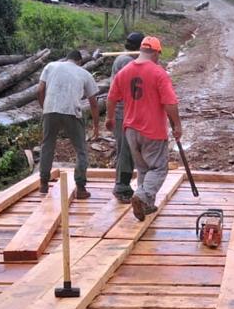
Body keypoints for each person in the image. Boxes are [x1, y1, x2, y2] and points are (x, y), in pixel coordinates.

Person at [105, 36, 183, 221]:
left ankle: (145, 204)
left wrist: (109, 118)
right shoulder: (158, 73)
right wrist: (177, 125)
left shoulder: (124, 72)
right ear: (156, 53)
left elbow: (111, 97)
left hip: (130, 129)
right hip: (152, 129)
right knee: (158, 168)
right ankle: (142, 196)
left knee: (142, 168)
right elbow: (170, 103)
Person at [36, 50, 99, 199]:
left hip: (50, 110)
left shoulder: (51, 66)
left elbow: (39, 90)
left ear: (66, 58)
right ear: (79, 61)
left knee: (47, 146)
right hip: (72, 112)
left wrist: (45, 107)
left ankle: (43, 184)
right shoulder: (84, 73)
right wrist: (96, 126)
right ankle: (81, 188)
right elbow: (94, 103)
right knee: (81, 150)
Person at [107, 31, 144, 203]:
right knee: (125, 150)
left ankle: (124, 185)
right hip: (123, 111)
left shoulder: (123, 59)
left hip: (124, 111)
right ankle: (121, 186)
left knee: (128, 149)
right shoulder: (127, 61)